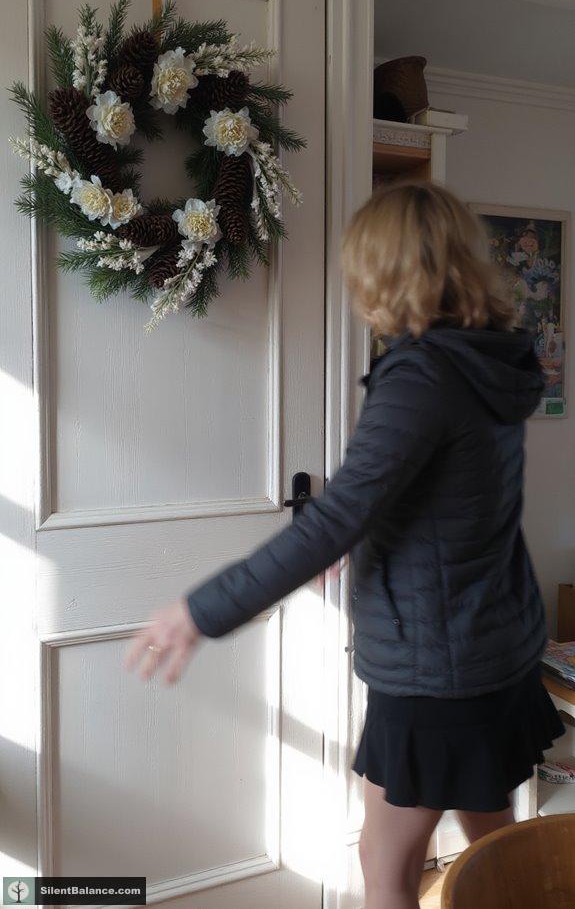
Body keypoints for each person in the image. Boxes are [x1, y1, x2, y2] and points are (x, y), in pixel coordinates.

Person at [126, 181, 564, 909]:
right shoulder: (490, 363)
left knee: (386, 866)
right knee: (496, 853)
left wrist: (199, 611)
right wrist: (358, 524)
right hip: (491, 646)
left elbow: (338, 521)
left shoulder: (422, 376)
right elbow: (447, 502)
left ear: (383, 270)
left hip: (436, 669)